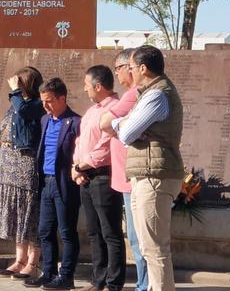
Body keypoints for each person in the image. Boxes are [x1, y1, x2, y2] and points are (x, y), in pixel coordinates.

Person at [111, 45, 184, 291]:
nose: (129, 72)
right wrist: (126, 123)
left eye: (130, 67)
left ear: (143, 68)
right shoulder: (150, 92)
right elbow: (129, 127)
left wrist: (122, 124)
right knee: (147, 246)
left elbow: (127, 133)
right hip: (147, 175)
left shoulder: (156, 95)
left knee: (155, 249)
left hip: (154, 177)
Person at [24, 77, 81, 291]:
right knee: (45, 231)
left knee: (66, 232)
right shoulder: (45, 120)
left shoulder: (76, 122)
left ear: (62, 98)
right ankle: (49, 272)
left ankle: (67, 276)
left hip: (65, 183)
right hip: (46, 182)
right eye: (43, 102)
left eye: (49, 101)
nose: (45, 106)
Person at [73, 65, 125, 291]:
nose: (85, 90)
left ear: (98, 86)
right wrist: (75, 169)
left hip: (104, 177)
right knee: (94, 232)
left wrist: (81, 165)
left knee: (110, 233)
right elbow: (80, 141)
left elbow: (105, 147)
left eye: (87, 86)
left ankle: (114, 283)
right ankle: (99, 280)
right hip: (85, 177)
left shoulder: (115, 109)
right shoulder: (92, 111)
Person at [100, 48, 148, 291]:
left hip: (133, 179)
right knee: (136, 237)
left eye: (119, 68)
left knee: (139, 239)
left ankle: (143, 285)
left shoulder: (133, 94)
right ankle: (143, 283)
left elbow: (105, 122)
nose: (118, 73)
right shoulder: (130, 95)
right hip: (123, 177)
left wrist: (115, 124)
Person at [0, 67, 45, 280]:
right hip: (9, 164)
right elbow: (5, 132)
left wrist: (15, 91)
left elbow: (24, 112)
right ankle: (19, 259)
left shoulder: (36, 104)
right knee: (17, 215)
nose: (15, 85)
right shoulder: (15, 103)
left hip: (25, 164)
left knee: (29, 214)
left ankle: (32, 262)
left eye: (19, 82)